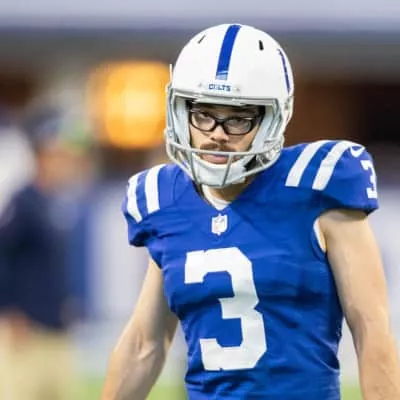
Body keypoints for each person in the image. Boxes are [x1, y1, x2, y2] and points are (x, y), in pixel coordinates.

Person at [101, 24, 400, 399]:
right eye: (203, 114)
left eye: (238, 118)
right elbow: (144, 344)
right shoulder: (165, 201)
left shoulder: (318, 187)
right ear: (180, 111)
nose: (217, 133)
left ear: (273, 117)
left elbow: (371, 331)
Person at [0, 108, 91, 400]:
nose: (65, 162)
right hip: (27, 331)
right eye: (58, 155)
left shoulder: (62, 202)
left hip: (58, 327)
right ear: (41, 156)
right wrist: (9, 310)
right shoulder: (23, 202)